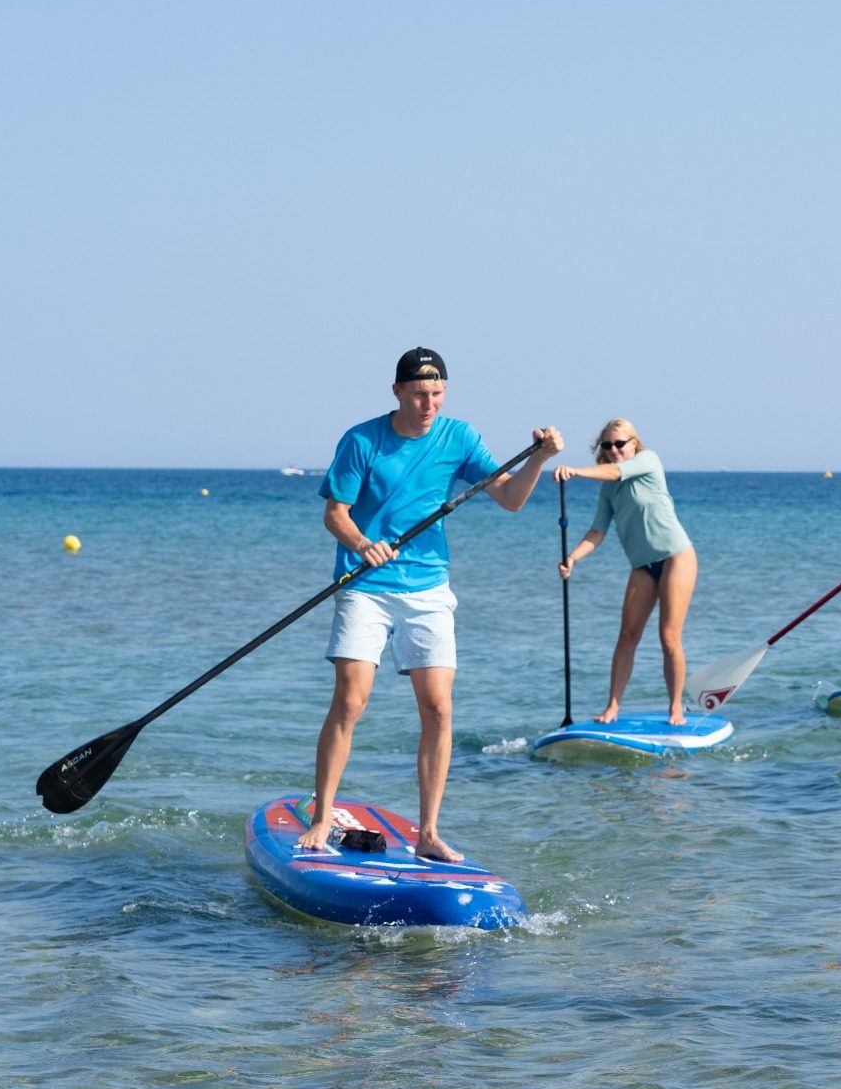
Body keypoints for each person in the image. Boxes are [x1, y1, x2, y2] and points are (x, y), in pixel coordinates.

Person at [297, 347, 563, 861]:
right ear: (396, 390)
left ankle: (428, 832)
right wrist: (362, 543)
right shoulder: (362, 440)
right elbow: (336, 514)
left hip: (427, 588)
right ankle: (323, 814)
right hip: (366, 583)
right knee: (351, 700)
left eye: (437, 392)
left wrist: (540, 458)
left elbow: (510, 500)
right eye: (419, 392)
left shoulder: (459, 437)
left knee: (439, 708)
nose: (428, 403)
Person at [554, 418, 699, 725]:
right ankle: (612, 707)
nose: (614, 449)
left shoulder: (648, 461)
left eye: (620, 443)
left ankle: (675, 707)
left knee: (668, 636)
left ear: (634, 443)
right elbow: (597, 531)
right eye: (607, 445)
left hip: (676, 556)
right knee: (627, 636)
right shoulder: (609, 490)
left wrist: (575, 471)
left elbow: (617, 471)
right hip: (642, 566)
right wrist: (573, 558)